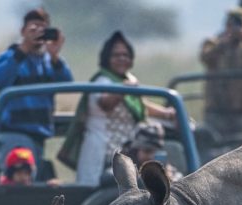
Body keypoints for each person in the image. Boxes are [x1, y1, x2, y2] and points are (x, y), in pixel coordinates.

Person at [68, 31, 175, 187]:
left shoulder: (129, 80)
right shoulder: (102, 80)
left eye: (125, 55)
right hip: (102, 152)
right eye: (116, 55)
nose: (121, 59)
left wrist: (166, 114)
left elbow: (139, 104)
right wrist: (122, 90)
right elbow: (105, 103)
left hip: (129, 153)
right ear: (107, 58)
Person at [0, 7, 73, 183]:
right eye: (33, 29)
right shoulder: (11, 56)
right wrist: (23, 49)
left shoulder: (48, 62)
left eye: (43, 29)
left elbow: (66, 84)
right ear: (23, 31)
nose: (38, 34)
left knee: (32, 184)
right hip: (14, 134)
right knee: (19, 181)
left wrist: (55, 56)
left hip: (38, 137)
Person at [200, 7, 242, 138]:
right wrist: (223, 43)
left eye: (240, 25)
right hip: (217, 109)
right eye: (232, 25)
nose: (235, 29)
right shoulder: (213, 43)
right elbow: (205, 58)